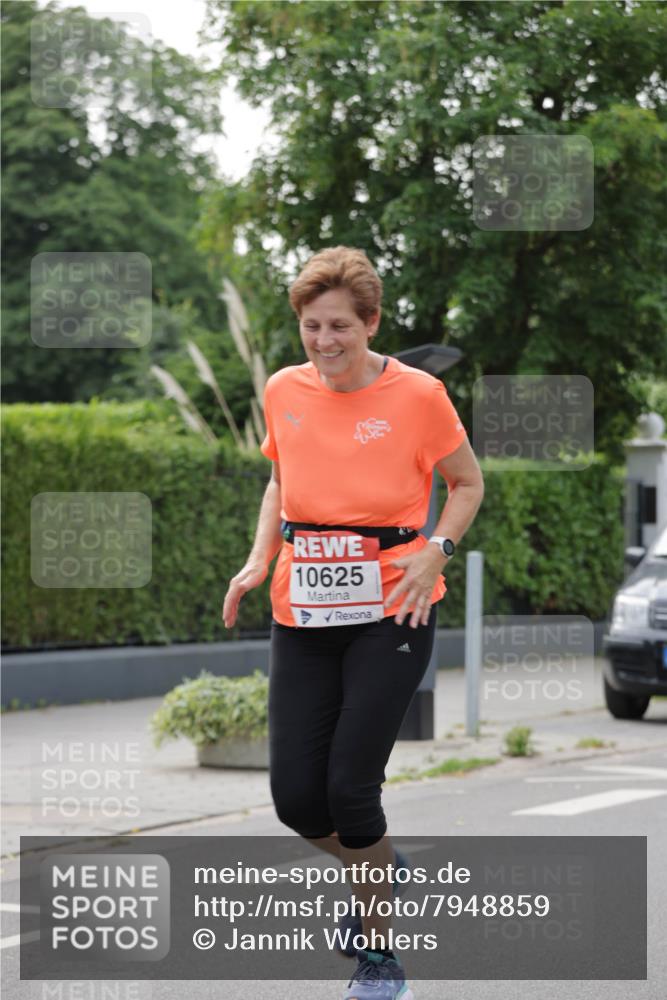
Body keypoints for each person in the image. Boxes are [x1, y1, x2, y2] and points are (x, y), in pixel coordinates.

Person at [222, 246, 484, 1000]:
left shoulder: (419, 394)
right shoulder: (283, 389)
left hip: (393, 607)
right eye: (311, 326)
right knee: (295, 800)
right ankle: (382, 866)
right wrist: (255, 557)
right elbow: (281, 480)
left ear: (370, 323)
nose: (324, 341)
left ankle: (379, 957)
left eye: (340, 325)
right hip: (302, 606)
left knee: (349, 788)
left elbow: (465, 483)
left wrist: (435, 553)